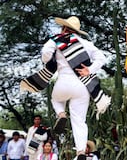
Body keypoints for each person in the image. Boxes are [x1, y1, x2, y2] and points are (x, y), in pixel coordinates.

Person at [40, 16, 108, 160]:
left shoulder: (57, 39)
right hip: (82, 86)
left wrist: (49, 61)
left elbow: (46, 52)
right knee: (79, 120)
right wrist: (89, 70)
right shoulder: (87, 43)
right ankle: (81, 152)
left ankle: (61, 114)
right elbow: (101, 58)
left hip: (63, 82)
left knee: (55, 100)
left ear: (64, 28)